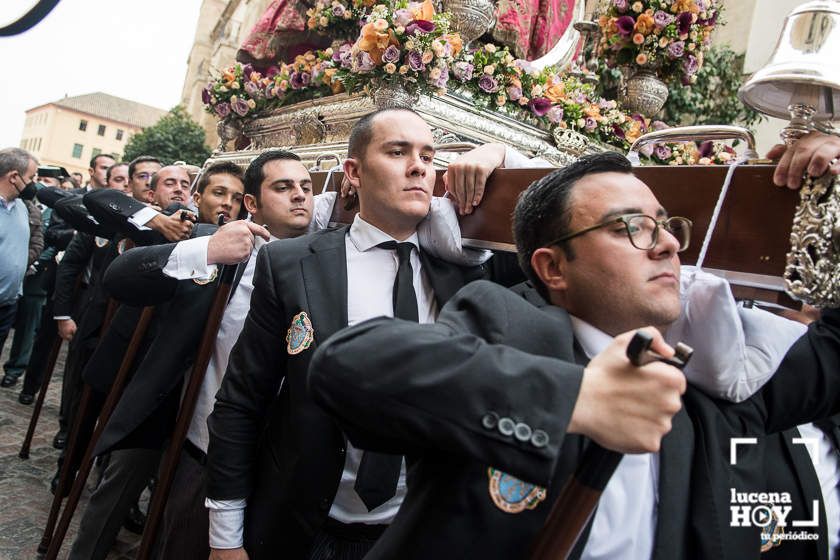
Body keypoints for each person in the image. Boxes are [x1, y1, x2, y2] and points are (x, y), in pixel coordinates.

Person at [308, 150, 840, 560]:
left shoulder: (718, 369)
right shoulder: (507, 324)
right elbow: (349, 365)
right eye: (628, 226)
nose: (667, 245)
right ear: (553, 268)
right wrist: (574, 400)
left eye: (666, 226)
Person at [203, 108, 527, 560]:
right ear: (353, 173)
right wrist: (225, 538)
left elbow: (559, 217)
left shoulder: (469, 271)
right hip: (301, 527)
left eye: (428, 157)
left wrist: (500, 153)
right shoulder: (293, 264)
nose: (419, 166)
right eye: (398, 152)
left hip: (415, 532)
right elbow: (242, 400)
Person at [0, 147, 38, 355]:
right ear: (14, 176)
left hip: (8, 305)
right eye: (31, 177)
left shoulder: (22, 208)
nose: (34, 183)